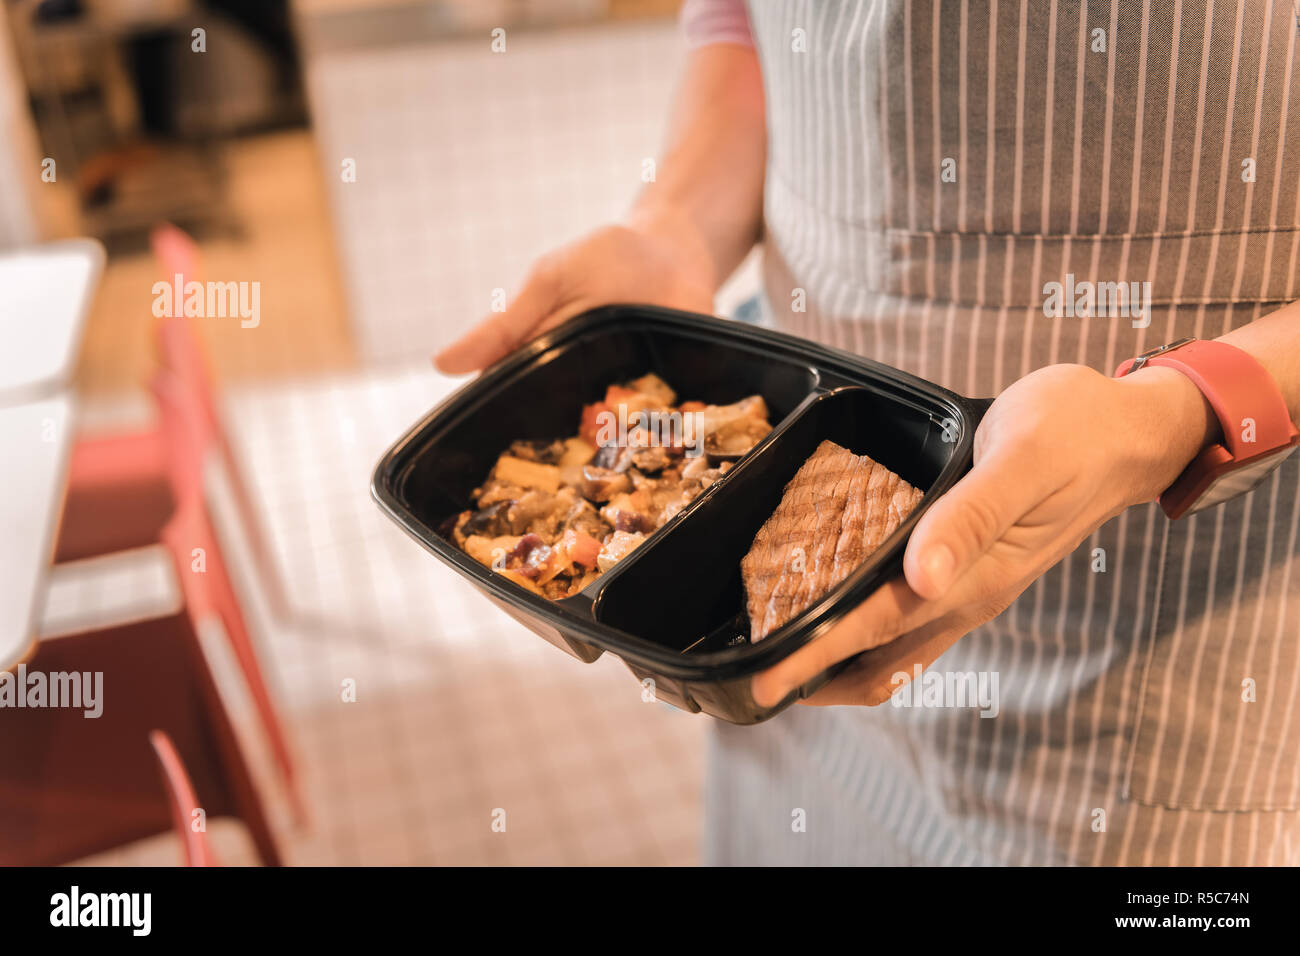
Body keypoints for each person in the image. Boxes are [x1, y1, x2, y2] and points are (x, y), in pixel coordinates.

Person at [436, 1, 1300, 865]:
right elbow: (745, 23)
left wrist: (1174, 410)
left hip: (1159, 634)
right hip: (777, 579)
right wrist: (677, 224)